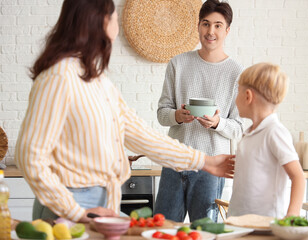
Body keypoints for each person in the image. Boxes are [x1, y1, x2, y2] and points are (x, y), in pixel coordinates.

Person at [14, 0, 235, 223]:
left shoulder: (97, 80)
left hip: (99, 203)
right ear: (101, 22)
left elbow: (141, 136)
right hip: (69, 206)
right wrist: (76, 212)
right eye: (115, 18)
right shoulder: (59, 77)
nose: (117, 27)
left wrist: (205, 161)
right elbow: (30, 157)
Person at [154, 0, 243, 222]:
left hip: (211, 168)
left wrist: (217, 123)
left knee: (205, 233)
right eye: (205, 24)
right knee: (162, 231)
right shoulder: (178, 64)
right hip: (175, 162)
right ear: (198, 26)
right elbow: (162, 113)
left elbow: (240, 128)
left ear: (227, 30)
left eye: (217, 25)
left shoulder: (237, 73)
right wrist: (177, 116)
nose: (210, 31)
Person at [227, 62, 305, 218]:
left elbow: (298, 176)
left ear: (248, 96)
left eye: (238, 92)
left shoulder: (274, 132)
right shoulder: (249, 133)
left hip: (265, 224)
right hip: (238, 222)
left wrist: (292, 214)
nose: (235, 99)